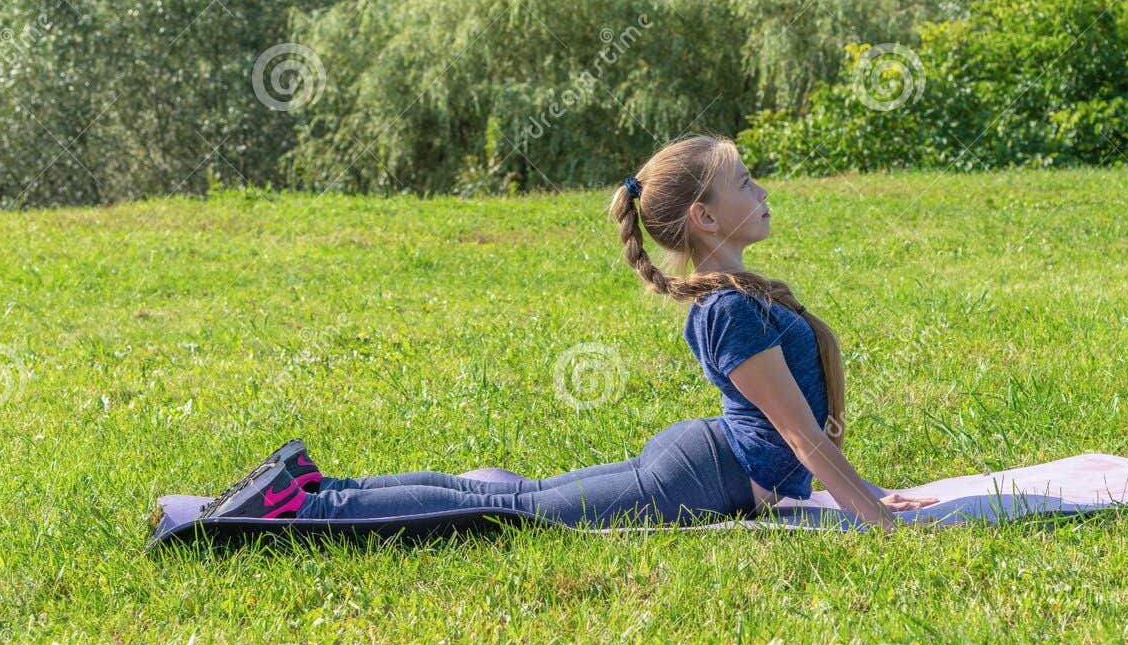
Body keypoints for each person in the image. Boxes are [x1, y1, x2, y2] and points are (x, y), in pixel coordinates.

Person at [198, 134, 937, 532]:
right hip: (694, 477)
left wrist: (871, 490)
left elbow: (804, 435)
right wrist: (872, 516)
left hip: (702, 461)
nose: (763, 191)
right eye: (746, 183)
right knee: (512, 508)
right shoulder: (730, 309)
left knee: (517, 492)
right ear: (705, 217)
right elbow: (801, 437)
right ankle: (308, 503)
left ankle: (311, 487)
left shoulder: (736, 295)